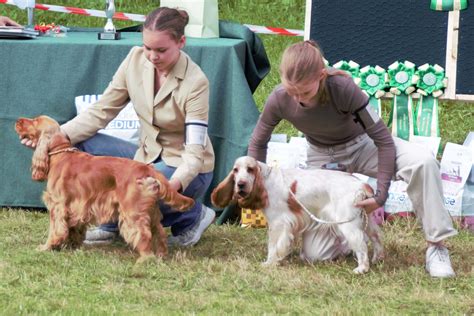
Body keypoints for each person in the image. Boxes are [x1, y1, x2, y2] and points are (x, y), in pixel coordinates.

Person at [248, 40, 458, 278]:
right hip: (321, 158)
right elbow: (257, 142)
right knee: (317, 255)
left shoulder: (343, 87)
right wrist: (259, 185)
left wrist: (381, 194)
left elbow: (384, 140)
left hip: (363, 146)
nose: (297, 99)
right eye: (291, 91)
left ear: (321, 75)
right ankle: (348, 230)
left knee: (423, 162)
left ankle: (436, 246)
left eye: (304, 92)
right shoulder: (278, 98)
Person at [22, 7, 216, 247]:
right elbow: (101, 111)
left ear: (181, 42)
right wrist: (57, 138)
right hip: (144, 156)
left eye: (161, 50)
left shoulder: (196, 82)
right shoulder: (134, 60)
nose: (152, 56)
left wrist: (170, 187)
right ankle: (111, 224)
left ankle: (193, 215)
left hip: (183, 164)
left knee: (143, 188)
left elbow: (194, 155)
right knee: (79, 145)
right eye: (147, 48)